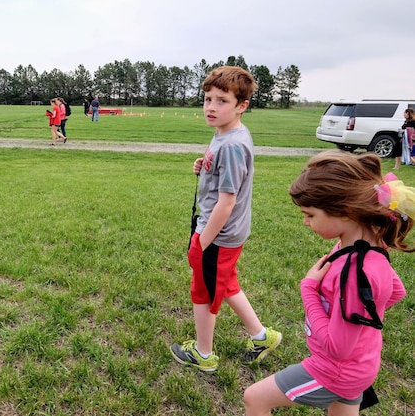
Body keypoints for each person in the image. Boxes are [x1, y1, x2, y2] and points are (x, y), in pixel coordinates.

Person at [243, 150, 412, 416]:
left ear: (345, 212)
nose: (305, 221)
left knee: (254, 398)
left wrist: (309, 290)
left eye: (310, 214)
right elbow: (396, 291)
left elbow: (337, 348)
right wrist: (358, 319)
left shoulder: (355, 272)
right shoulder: (368, 247)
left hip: (334, 371)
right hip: (361, 365)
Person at [170, 66, 281, 373]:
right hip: (222, 234)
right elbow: (223, 175)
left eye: (221, 100)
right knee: (227, 283)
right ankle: (262, 336)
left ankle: (203, 354)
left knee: (203, 292)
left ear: (242, 106)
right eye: (207, 99)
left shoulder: (232, 144)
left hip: (217, 236)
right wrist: (203, 166)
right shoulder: (225, 134)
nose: (211, 107)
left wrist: (201, 243)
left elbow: (227, 201)